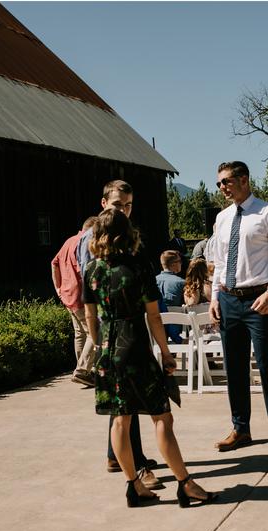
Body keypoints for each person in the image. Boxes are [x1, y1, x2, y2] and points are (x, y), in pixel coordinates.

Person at [84, 209, 217, 508]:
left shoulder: (91, 270)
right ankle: (185, 484)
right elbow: (154, 315)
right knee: (161, 417)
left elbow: (90, 315)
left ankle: (134, 486)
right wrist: (166, 353)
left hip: (107, 350)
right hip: (134, 347)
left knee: (120, 419)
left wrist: (99, 344)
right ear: (126, 233)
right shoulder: (138, 266)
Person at [76, 180, 158, 485]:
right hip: (114, 332)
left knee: (124, 401)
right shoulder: (93, 238)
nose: (124, 210)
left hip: (127, 331)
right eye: (118, 204)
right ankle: (133, 463)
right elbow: (92, 293)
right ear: (103, 204)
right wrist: (98, 342)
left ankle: (117, 454)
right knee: (126, 402)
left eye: (128, 205)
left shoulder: (125, 237)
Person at [210, 161, 268, 455]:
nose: (221, 187)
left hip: (259, 299)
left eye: (226, 181)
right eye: (219, 183)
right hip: (229, 299)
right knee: (233, 367)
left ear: (243, 179)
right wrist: (214, 296)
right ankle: (240, 429)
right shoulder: (222, 218)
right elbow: (219, 261)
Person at [51, 216, 97, 387]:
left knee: (80, 333)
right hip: (81, 294)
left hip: (67, 295)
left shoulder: (69, 241)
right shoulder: (85, 242)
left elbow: (53, 263)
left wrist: (58, 288)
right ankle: (83, 370)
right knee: (94, 332)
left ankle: (82, 370)